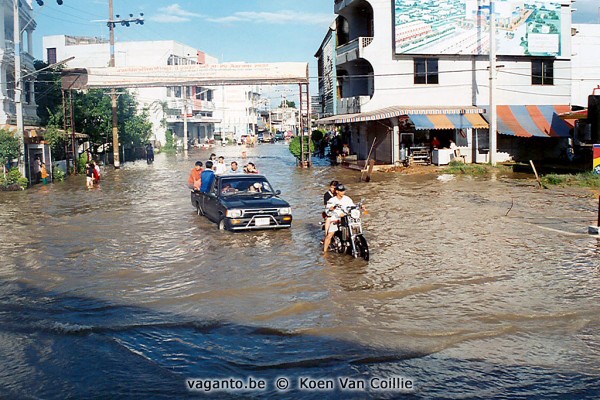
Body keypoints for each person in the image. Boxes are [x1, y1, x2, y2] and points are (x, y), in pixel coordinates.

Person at [323, 184, 356, 252]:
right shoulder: (332, 200)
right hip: (336, 218)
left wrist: (360, 207)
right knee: (329, 235)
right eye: (341, 191)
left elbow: (353, 206)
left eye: (343, 191)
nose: (343, 192)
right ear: (337, 191)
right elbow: (328, 210)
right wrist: (332, 208)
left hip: (347, 218)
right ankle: (325, 252)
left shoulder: (347, 199)